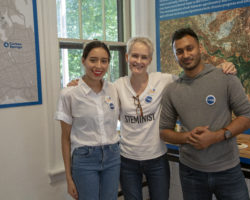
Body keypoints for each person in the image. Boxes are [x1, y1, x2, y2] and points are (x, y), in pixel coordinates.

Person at [67, 37, 237, 200]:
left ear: (149, 60)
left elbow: (193, 78)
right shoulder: (116, 86)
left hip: (157, 158)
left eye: (144, 57)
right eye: (134, 56)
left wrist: (219, 68)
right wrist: (77, 83)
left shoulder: (164, 80)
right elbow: (95, 87)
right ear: (127, 57)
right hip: (127, 160)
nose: (138, 61)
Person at [159, 27, 250, 200]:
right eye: (179, 51)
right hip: (191, 172)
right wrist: (189, 137)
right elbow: (164, 132)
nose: (186, 55)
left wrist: (216, 136)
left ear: (200, 48)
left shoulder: (226, 77)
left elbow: (247, 118)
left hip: (228, 171)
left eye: (190, 48)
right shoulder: (172, 90)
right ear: (174, 55)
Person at [55, 40, 120, 200]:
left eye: (104, 61)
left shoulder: (113, 89)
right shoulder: (69, 94)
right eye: (93, 60)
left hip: (113, 156)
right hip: (84, 159)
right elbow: (65, 139)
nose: (98, 66)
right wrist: (69, 178)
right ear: (83, 60)